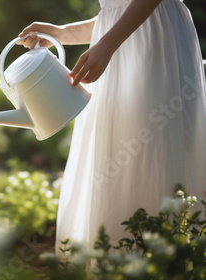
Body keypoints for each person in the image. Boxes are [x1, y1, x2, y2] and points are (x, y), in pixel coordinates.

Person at [18, 0, 206, 254]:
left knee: (152, 151)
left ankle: (157, 258)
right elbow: (116, 13)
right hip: (124, 49)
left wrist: (106, 46)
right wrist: (62, 34)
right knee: (119, 152)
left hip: (156, 47)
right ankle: (121, 259)